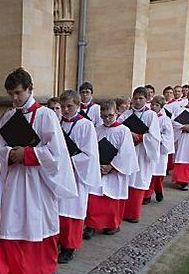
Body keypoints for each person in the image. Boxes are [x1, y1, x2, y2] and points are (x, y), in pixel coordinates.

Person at [0, 68, 76, 274]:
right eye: (10, 94)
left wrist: (27, 153)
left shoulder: (46, 115)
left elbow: (57, 152)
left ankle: (47, 268)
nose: (14, 99)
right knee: (9, 226)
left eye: (18, 93)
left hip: (39, 181)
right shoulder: (8, 117)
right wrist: (10, 154)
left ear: (30, 89)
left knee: (41, 224)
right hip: (16, 180)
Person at [57, 90, 100, 263]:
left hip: (76, 174)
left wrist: (70, 159)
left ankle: (70, 247)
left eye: (70, 106)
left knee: (72, 210)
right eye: (63, 107)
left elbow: (89, 154)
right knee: (58, 210)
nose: (66, 110)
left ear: (78, 105)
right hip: (59, 174)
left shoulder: (85, 125)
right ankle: (57, 241)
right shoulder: (57, 123)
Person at [86, 100, 137, 235]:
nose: (107, 119)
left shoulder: (123, 130)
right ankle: (91, 226)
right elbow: (91, 149)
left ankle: (112, 225)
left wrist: (111, 166)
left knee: (111, 201)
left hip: (114, 172)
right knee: (94, 200)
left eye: (110, 115)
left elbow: (126, 153)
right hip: (98, 170)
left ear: (117, 113)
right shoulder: (97, 129)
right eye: (104, 116)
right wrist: (96, 165)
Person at [119, 86, 161, 223]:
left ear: (146, 99)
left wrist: (140, 137)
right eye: (135, 98)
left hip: (142, 152)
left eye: (140, 98)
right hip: (128, 151)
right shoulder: (126, 114)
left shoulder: (151, 115)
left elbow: (155, 137)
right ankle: (122, 212)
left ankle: (133, 214)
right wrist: (128, 134)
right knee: (126, 180)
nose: (137, 101)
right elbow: (118, 129)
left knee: (138, 180)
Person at [149, 95, 174, 202]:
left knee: (157, 174)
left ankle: (158, 190)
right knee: (148, 173)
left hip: (160, 149)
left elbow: (168, 134)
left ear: (161, 106)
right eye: (152, 104)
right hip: (149, 148)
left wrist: (158, 137)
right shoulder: (147, 116)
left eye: (157, 105)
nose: (154, 107)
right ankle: (147, 194)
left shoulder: (165, 119)